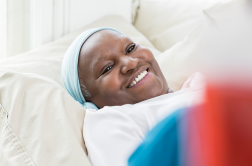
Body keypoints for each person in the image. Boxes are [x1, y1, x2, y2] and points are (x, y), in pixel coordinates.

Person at [62, 27, 205, 166]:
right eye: (107, 68)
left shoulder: (199, 84)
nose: (130, 63)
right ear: (90, 101)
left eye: (130, 49)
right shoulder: (109, 120)